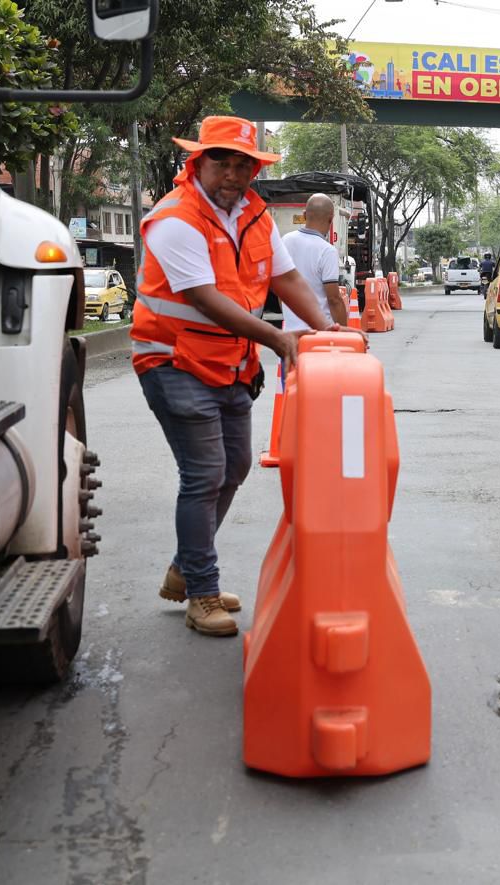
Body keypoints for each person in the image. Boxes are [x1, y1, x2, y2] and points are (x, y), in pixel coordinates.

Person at [132, 115, 349, 637]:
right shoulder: (175, 218)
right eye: (221, 162)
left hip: (230, 363)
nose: (232, 174)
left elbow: (286, 278)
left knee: (235, 467)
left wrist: (327, 329)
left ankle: (186, 570)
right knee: (205, 473)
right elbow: (205, 299)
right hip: (173, 359)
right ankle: (202, 592)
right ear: (197, 162)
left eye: (243, 165)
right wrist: (278, 338)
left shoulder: (254, 215)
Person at [281, 193, 347, 331]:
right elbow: (334, 299)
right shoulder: (327, 251)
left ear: (304, 215)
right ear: (331, 219)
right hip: (320, 334)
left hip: (291, 333)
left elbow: (281, 289)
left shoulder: (285, 241)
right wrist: (345, 333)